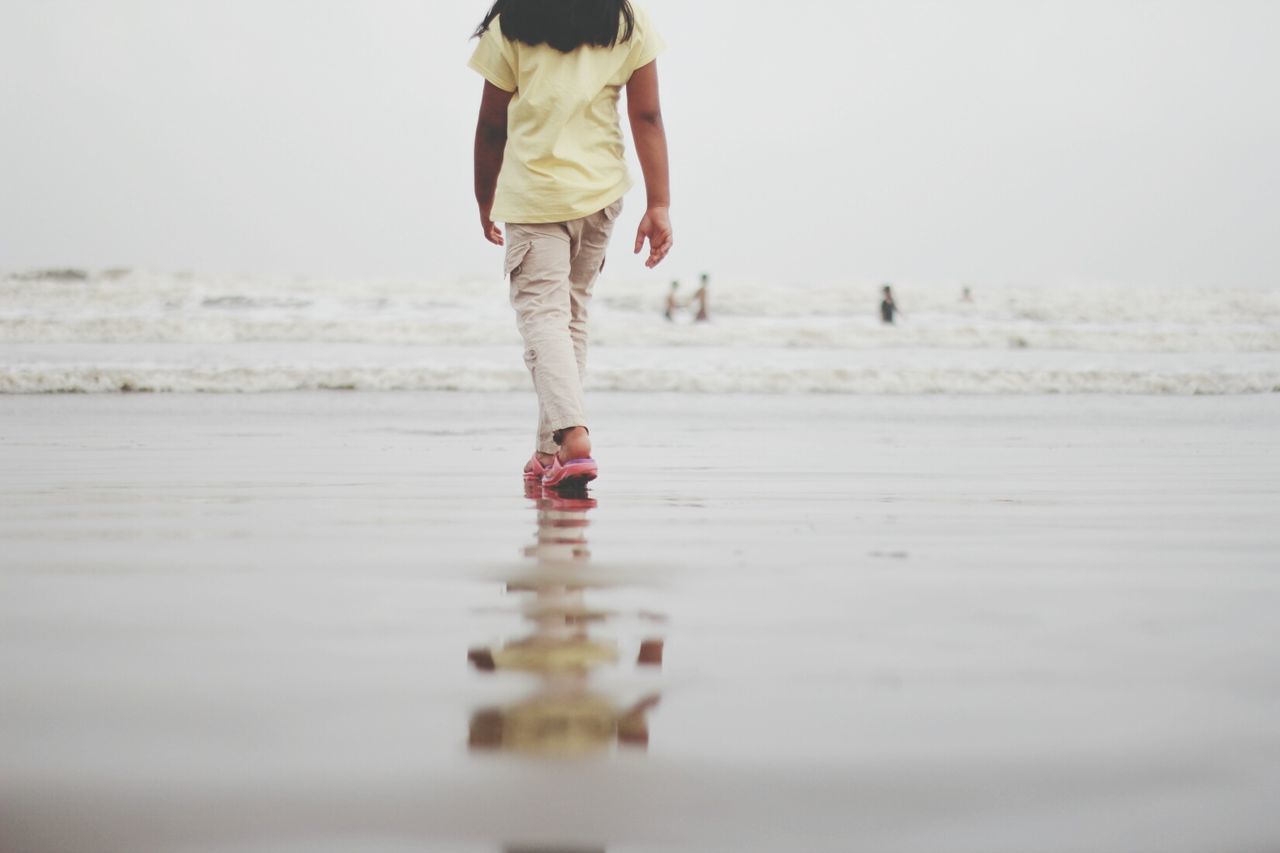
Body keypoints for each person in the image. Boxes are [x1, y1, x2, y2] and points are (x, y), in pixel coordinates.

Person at [470, 0, 673, 490]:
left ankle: (574, 438)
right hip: (600, 193)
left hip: (536, 194)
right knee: (570, 318)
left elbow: (492, 124)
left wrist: (483, 198)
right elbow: (647, 115)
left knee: (543, 318)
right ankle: (551, 450)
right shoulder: (624, 16)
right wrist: (659, 202)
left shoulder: (512, 19)